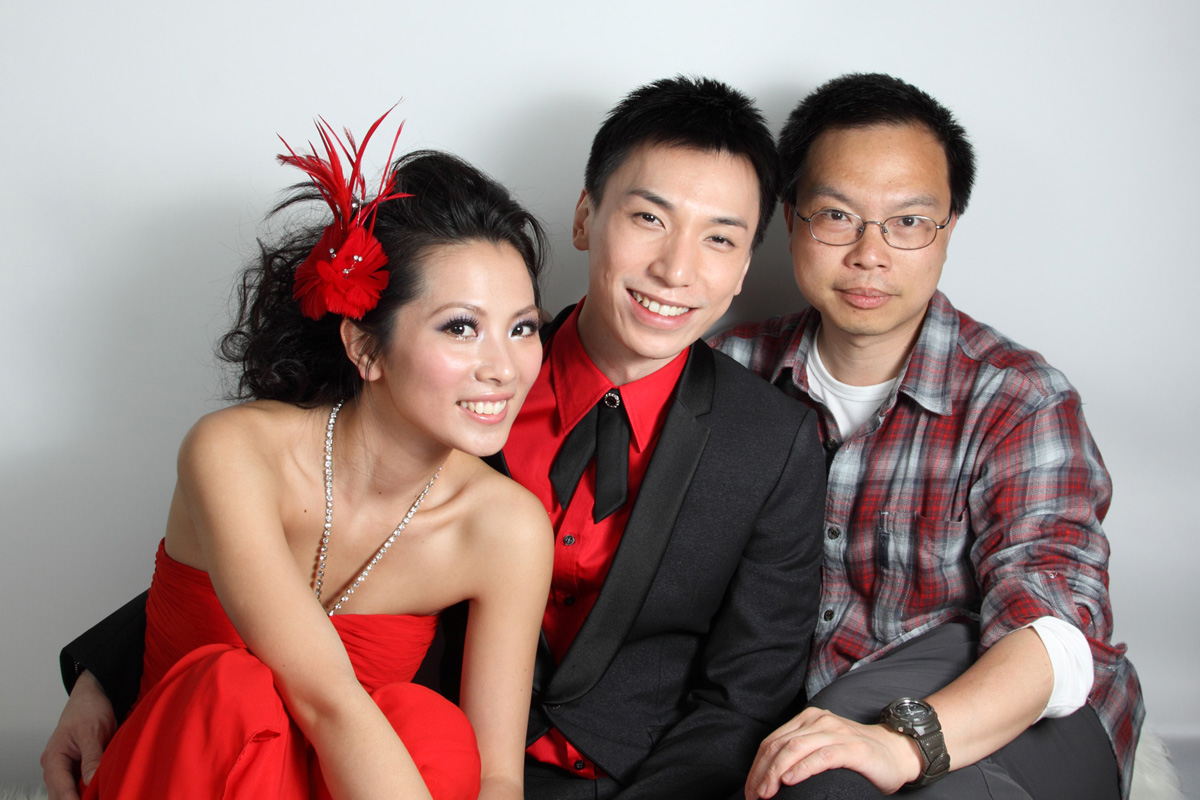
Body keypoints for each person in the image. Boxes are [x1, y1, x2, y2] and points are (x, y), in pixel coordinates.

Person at [44, 77, 828, 800]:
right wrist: (104, 674)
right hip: (331, 746)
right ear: (587, 217)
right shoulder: (446, 390)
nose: (676, 269)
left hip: (598, 777)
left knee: (425, 731)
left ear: (746, 263)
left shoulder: (772, 442)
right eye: (649, 217)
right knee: (251, 693)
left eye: (721, 238)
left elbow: (745, 693)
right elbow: (276, 556)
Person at [45, 121, 555, 800]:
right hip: (181, 779)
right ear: (365, 347)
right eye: (461, 327)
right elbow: (327, 700)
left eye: (522, 328)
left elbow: (496, 774)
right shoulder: (234, 452)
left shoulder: (507, 527)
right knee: (234, 689)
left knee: (429, 727)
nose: (505, 368)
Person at [711, 73, 1144, 799]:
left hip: (1004, 700)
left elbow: (1053, 628)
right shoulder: (728, 372)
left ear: (949, 230)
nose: (870, 253)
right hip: (811, 714)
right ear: (790, 218)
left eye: (909, 221)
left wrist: (905, 742)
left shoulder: (1019, 398)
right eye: (837, 215)